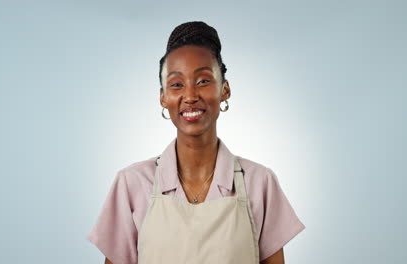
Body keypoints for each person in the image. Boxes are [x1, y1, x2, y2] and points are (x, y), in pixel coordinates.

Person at [87, 21, 305, 264]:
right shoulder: (132, 184)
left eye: (203, 81)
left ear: (225, 89)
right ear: (163, 97)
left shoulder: (260, 184)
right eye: (177, 84)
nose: (190, 96)